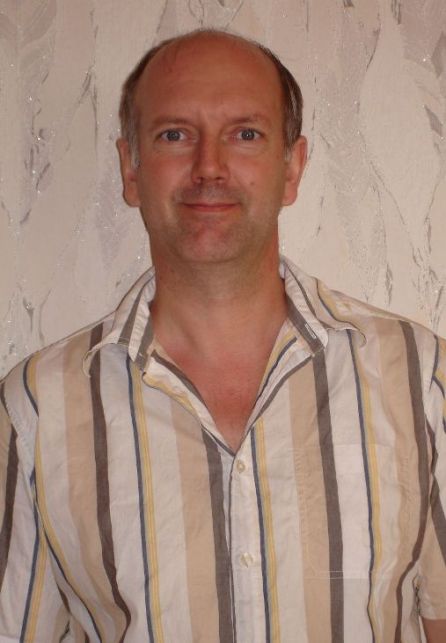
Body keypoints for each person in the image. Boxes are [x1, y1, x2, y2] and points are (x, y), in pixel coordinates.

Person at [0, 28, 445, 643]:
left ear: (292, 167)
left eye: (245, 134)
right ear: (131, 168)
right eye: (174, 135)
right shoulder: (38, 405)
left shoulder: (416, 375)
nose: (209, 166)